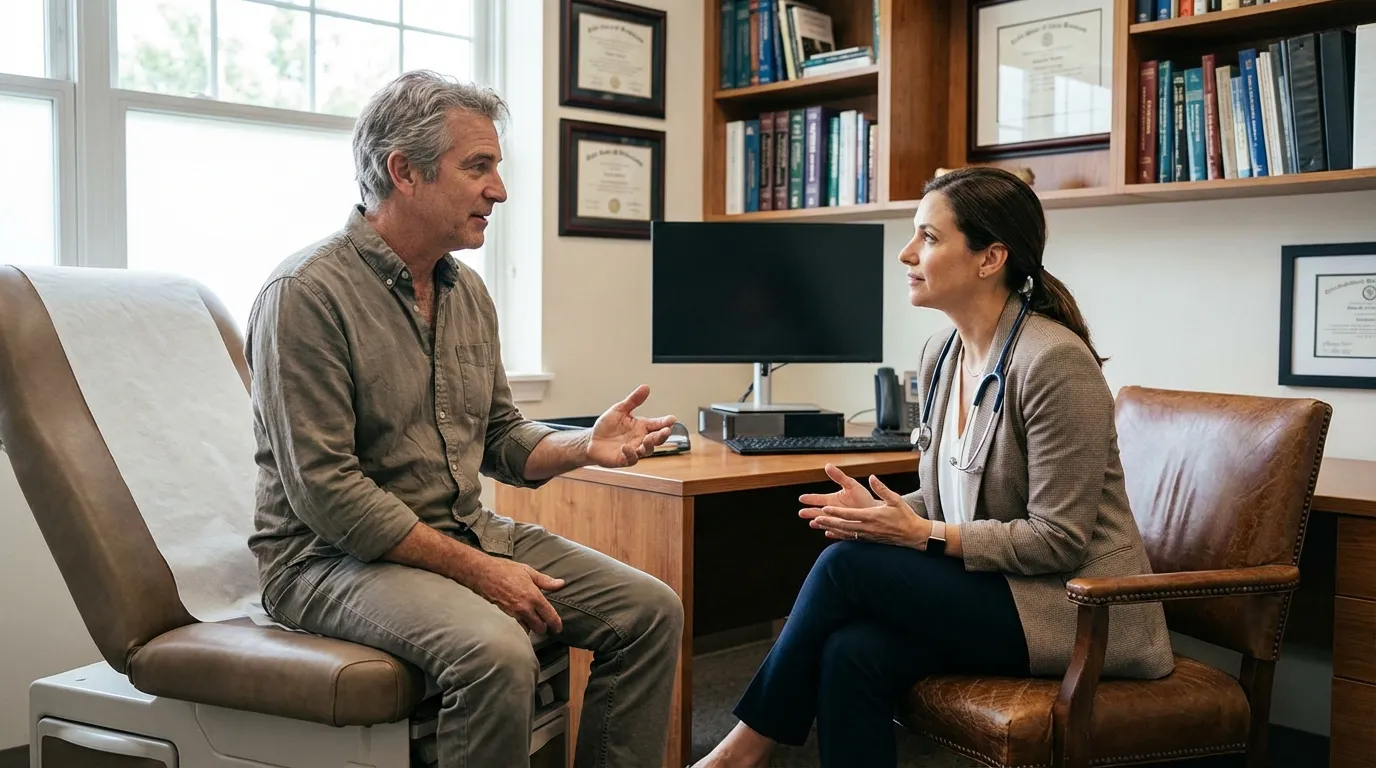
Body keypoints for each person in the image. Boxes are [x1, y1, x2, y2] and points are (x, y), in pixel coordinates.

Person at [244, 70, 684, 768]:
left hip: (458, 529)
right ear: (404, 172)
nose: (499, 191)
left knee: (649, 612)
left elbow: (502, 437)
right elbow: (328, 494)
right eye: (478, 167)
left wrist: (583, 447)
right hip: (327, 561)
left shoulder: (466, 291)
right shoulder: (304, 295)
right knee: (494, 652)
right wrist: (479, 570)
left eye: (497, 168)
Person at [692, 166, 1176, 768]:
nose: (906, 253)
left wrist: (919, 533)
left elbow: (1059, 540)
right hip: (1004, 588)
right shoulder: (941, 354)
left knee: (846, 568)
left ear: (989, 257)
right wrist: (885, 515)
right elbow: (952, 497)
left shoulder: (1054, 363)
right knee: (850, 652)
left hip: (1076, 609)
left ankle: (741, 751)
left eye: (929, 236)